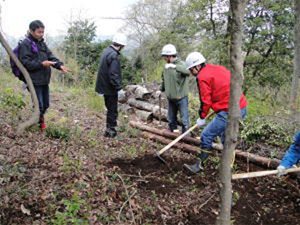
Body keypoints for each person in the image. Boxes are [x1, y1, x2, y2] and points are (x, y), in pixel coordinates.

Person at [183, 52, 248, 173]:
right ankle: (227, 168)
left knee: (206, 135)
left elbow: (205, 101)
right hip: (241, 107)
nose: (191, 73)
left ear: (197, 67)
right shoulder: (217, 68)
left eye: (191, 70)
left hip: (229, 111)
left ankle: (199, 166)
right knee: (226, 138)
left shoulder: (202, 77)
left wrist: (202, 117)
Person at [19, 20, 69, 130]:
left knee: (46, 105)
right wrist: (42, 64)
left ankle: (38, 120)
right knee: (39, 105)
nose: (41, 34)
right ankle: (38, 124)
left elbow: (50, 57)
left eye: (42, 32)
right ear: (31, 31)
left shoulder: (41, 43)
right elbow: (26, 63)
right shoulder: (25, 44)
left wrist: (59, 65)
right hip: (34, 81)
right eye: (39, 32)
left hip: (44, 80)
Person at [95, 33, 127, 138]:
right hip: (109, 88)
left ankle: (108, 131)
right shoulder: (113, 56)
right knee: (112, 110)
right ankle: (111, 132)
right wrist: (119, 89)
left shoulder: (107, 51)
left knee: (110, 110)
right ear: (121, 45)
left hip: (104, 87)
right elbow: (113, 74)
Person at [158, 44, 190, 133]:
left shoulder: (182, 64)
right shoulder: (167, 66)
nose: (164, 58)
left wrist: (175, 67)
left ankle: (186, 139)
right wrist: (160, 90)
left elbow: (188, 72)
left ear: (170, 56)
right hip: (171, 99)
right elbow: (164, 80)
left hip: (181, 98)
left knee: (184, 121)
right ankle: (173, 137)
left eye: (165, 57)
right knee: (171, 120)